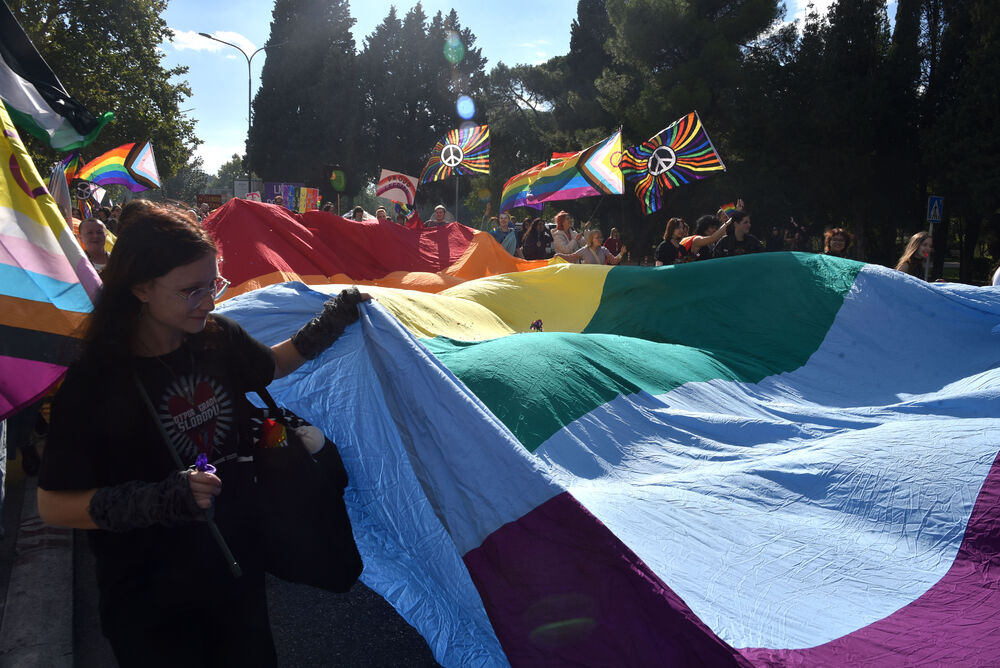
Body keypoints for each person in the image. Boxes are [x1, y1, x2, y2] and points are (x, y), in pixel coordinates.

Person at [36, 203, 369, 666]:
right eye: (190, 291)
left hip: (237, 575)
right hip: (150, 606)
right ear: (141, 288)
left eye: (212, 284)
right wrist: (158, 499)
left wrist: (334, 320)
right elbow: (52, 505)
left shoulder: (218, 337)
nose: (208, 302)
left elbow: (270, 367)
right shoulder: (95, 381)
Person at [555, 229, 626, 265]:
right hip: (588, 281)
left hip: (600, 280)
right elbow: (571, 258)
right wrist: (559, 255)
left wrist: (621, 253)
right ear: (591, 239)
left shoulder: (604, 250)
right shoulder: (584, 250)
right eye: (597, 238)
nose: (600, 239)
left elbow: (614, 261)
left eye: (601, 237)